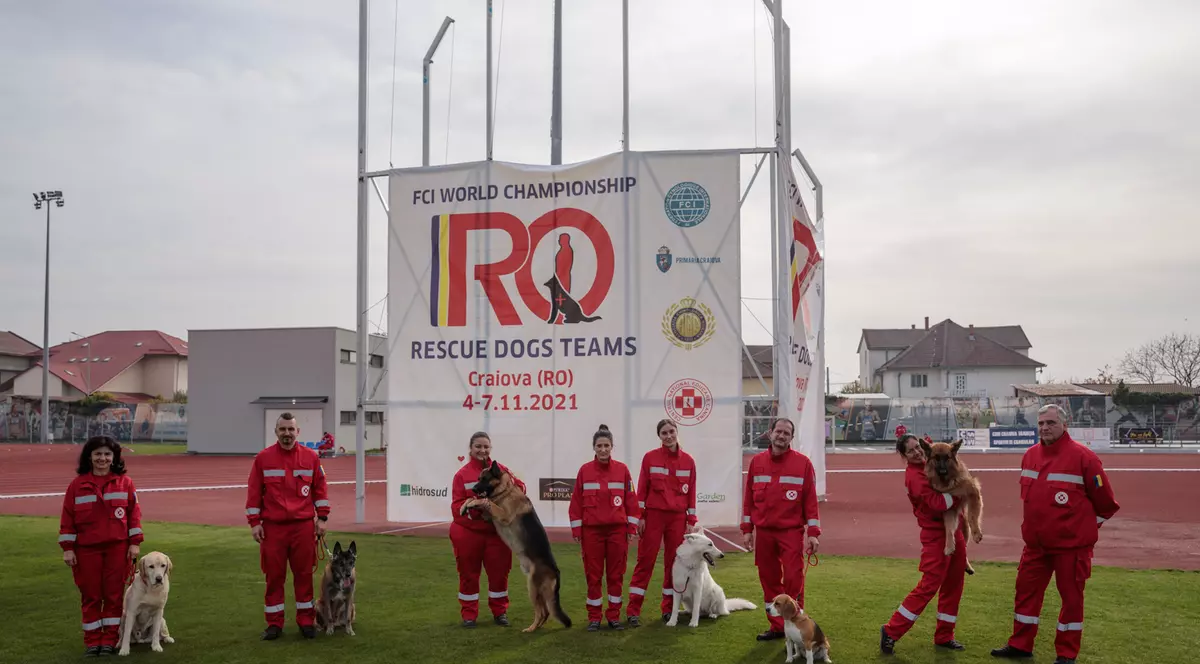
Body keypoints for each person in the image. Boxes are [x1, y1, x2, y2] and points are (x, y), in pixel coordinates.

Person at [991, 403, 1120, 664]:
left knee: (1071, 600)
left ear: (1064, 424)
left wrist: (1082, 528)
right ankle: (1020, 645)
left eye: (1050, 423)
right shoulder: (1030, 455)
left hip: (1070, 548)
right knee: (1025, 595)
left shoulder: (1085, 458)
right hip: (1035, 546)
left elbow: (1106, 504)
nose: (1045, 428)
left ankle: (1066, 653)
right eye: (1041, 423)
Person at [879, 430, 968, 655]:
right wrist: (961, 492)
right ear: (904, 456)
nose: (917, 452)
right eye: (911, 451)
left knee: (954, 584)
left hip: (953, 530)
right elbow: (939, 504)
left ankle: (945, 635)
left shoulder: (930, 465)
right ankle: (891, 630)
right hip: (935, 536)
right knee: (929, 586)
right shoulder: (915, 477)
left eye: (918, 447)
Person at [244, 412, 331, 641]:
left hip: (302, 527)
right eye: (282, 429)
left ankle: (306, 621)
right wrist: (254, 523)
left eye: (291, 429)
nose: (287, 433)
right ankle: (274, 624)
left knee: (304, 575)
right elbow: (254, 493)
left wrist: (322, 518)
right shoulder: (263, 459)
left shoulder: (311, 458)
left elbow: (320, 489)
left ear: (297, 432)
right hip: (273, 528)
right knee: (274, 577)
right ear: (276, 432)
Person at [59, 435, 145, 657]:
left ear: (114, 457)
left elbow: (134, 515)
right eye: (98, 454)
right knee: (91, 596)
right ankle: (92, 641)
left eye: (107, 454)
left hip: (117, 548)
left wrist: (134, 543)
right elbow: (67, 518)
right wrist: (68, 547)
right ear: (89, 457)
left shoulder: (125, 483)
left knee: (114, 596)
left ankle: (109, 640)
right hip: (86, 550)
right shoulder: (77, 486)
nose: (102, 458)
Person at [741, 417, 821, 641]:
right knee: (769, 579)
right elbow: (748, 500)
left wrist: (813, 534)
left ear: (791, 438)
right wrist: (747, 529)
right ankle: (777, 627)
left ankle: (796, 623)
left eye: (786, 433)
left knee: (794, 577)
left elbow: (810, 502)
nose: (781, 436)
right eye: (778, 431)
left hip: (790, 532)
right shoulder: (757, 462)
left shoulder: (803, 464)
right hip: (764, 532)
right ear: (770, 433)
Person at [450, 431, 528, 628]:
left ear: (490, 448)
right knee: (468, 575)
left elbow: (521, 489)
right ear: (470, 448)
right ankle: (469, 614)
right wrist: (478, 509)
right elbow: (457, 508)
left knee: (499, 574)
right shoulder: (461, 475)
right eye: (478, 446)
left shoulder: (501, 470)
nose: (482, 450)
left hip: (497, 533)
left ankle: (500, 612)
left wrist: (507, 489)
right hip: (469, 534)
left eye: (486, 447)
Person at [568, 423, 640, 632]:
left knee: (616, 575)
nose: (603, 449)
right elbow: (576, 503)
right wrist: (577, 530)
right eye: (599, 446)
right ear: (594, 447)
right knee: (593, 576)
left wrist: (631, 529)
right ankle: (594, 617)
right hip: (592, 533)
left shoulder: (622, 470)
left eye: (606, 445)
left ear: (611, 447)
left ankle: (614, 617)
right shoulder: (585, 471)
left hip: (617, 531)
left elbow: (631, 502)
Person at [627, 418, 698, 626]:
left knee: (673, 564)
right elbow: (642, 490)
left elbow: (691, 493)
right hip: (654, 516)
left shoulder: (689, 461)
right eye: (664, 433)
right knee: (645, 561)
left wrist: (691, 519)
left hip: (677, 518)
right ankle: (633, 610)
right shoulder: (650, 458)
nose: (668, 436)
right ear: (659, 436)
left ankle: (668, 609)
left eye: (671, 432)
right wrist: (640, 516)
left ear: (677, 432)